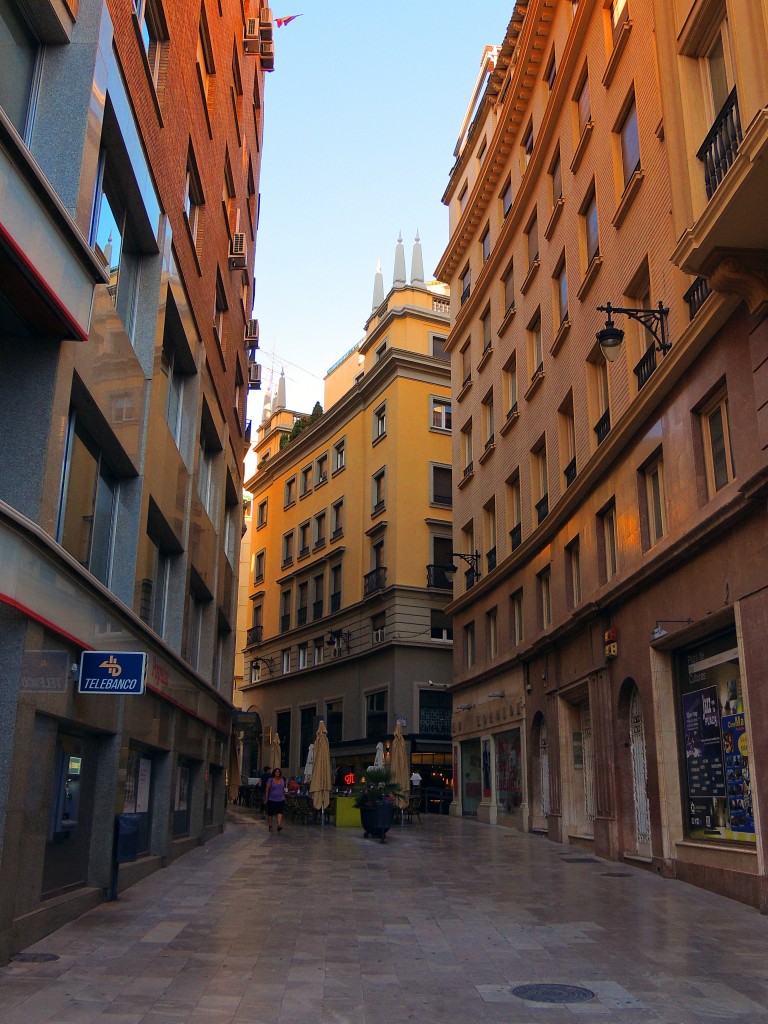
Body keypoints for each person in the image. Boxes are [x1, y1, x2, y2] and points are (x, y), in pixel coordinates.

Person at [265, 768, 287, 832]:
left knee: (280, 812)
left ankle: (279, 825)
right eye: (276, 772)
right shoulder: (270, 780)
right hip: (271, 799)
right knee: (270, 813)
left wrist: (284, 795)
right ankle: (270, 826)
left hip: (281, 799)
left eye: (278, 772)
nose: (277, 773)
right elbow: (267, 790)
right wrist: (266, 798)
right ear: (274, 773)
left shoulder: (282, 780)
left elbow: (283, 789)